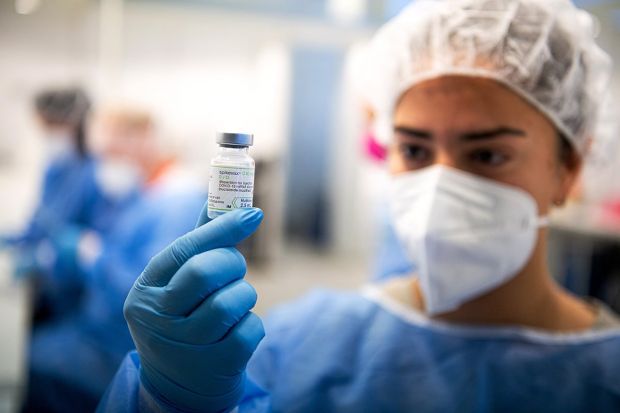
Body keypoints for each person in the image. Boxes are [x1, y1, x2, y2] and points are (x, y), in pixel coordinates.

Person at [98, 1, 620, 412]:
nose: (441, 183)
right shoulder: (303, 344)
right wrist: (167, 402)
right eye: (413, 150)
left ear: (569, 169)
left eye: (487, 154)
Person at [23, 106, 206, 413]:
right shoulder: (147, 192)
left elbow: (154, 293)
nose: (108, 163)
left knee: (28, 360)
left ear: (144, 140)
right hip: (102, 329)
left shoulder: (179, 202)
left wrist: (93, 256)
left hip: (127, 347)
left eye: (114, 152)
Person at [4, 87, 125, 321]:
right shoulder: (55, 167)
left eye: (51, 127)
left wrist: (49, 256)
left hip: (76, 294)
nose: (46, 135)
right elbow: (41, 221)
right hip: (48, 287)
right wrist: (17, 239)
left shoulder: (96, 174)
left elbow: (98, 240)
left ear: (71, 125)